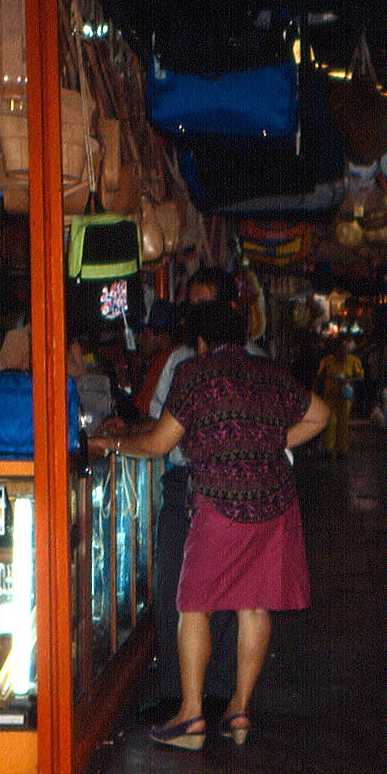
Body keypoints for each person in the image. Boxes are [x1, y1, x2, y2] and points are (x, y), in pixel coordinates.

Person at [92, 298, 329, 748]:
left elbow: (158, 444)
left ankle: (191, 716)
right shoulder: (270, 372)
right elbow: (321, 415)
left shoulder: (194, 374)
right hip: (274, 501)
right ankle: (239, 711)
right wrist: (270, 441)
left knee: (194, 604)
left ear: (200, 342)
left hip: (220, 502)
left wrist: (111, 444)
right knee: (254, 605)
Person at [112, 270, 240, 714]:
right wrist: (127, 431)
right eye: (193, 305)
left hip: (227, 486)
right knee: (172, 585)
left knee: (225, 592)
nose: (197, 313)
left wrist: (118, 442)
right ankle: (176, 693)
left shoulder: (247, 361)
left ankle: (217, 692)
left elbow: (160, 438)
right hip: (183, 481)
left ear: (227, 308)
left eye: (207, 304)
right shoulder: (178, 362)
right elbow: (158, 425)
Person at [133, 298, 183, 418]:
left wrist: (135, 369)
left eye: (143, 333)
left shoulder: (164, 362)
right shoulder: (170, 355)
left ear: (158, 336)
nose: (139, 340)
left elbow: (144, 413)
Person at [316, 335, 364, 458]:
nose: (342, 352)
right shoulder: (327, 361)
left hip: (345, 397)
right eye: (340, 349)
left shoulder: (353, 361)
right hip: (329, 396)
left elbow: (360, 377)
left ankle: (342, 450)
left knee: (343, 423)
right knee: (330, 423)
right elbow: (320, 376)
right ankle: (328, 448)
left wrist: (349, 380)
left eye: (344, 349)